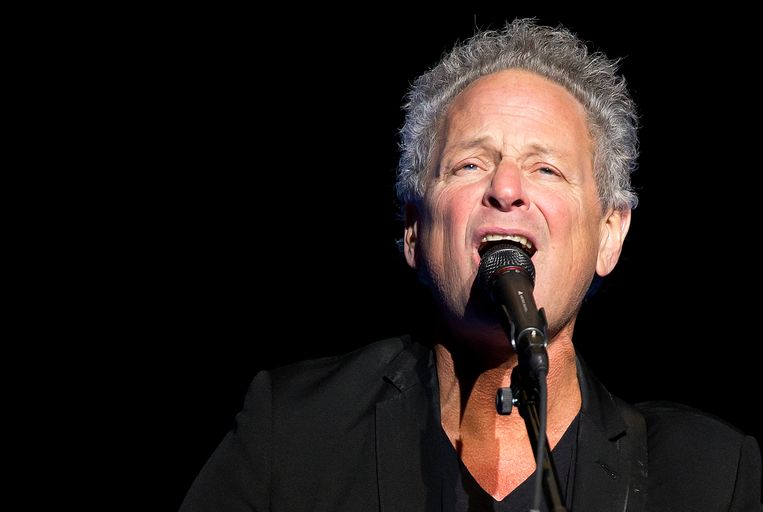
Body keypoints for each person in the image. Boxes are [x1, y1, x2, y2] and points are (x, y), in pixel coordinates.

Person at [180, 19, 762, 511]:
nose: (505, 189)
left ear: (609, 234)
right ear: (414, 230)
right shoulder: (293, 432)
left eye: (546, 169)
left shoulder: (706, 476)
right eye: (469, 165)